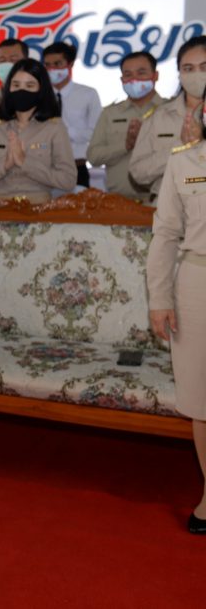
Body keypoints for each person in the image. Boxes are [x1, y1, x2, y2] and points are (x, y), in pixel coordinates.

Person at [146, 109, 206, 535]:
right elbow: (165, 233)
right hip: (197, 283)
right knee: (201, 399)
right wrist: (160, 298)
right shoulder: (185, 160)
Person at [0, 59, 77, 203]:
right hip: (0, 208)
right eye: (16, 85)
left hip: (40, 208)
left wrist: (25, 162)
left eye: (30, 85)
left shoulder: (54, 128)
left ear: (41, 90)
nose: (21, 90)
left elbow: (68, 181)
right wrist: (5, 165)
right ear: (8, 88)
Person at [130, 36, 206, 200]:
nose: (197, 75)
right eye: (188, 69)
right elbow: (137, 173)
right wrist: (180, 146)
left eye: (204, 67)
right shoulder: (159, 116)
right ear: (179, 74)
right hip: (169, 207)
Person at [87, 51, 165, 201]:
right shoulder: (110, 113)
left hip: (163, 201)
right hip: (119, 202)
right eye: (128, 75)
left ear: (155, 76)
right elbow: (93, 157)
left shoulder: (172, 110)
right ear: (122, 79)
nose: (134, 80)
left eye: (141, 73)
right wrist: (126, 145)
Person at [43, 41, 102, 188]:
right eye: (48, 65)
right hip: (45, 168)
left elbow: (97, 133)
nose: (52, 69)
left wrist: (65, 131)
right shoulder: (39, 96)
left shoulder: (88, 94)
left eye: (58, 64)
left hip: (77, 166)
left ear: (70, 64)